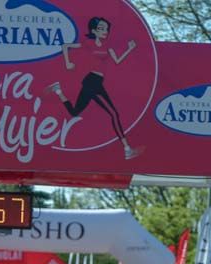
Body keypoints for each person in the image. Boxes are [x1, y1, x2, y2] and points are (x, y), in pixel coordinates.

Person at [45, 17, 140, 160]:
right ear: (94, 30)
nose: (105, 31)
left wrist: (129, 49)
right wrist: (68, 63)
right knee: (113, 114)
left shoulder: (108, 46)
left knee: (75, 113)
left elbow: (118, 60)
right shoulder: (88, 43)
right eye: (101, 29)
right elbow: (66, 46)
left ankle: (58, 90)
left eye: (106, 29)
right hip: (92, 82)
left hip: (95, 82)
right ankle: (127, 149)